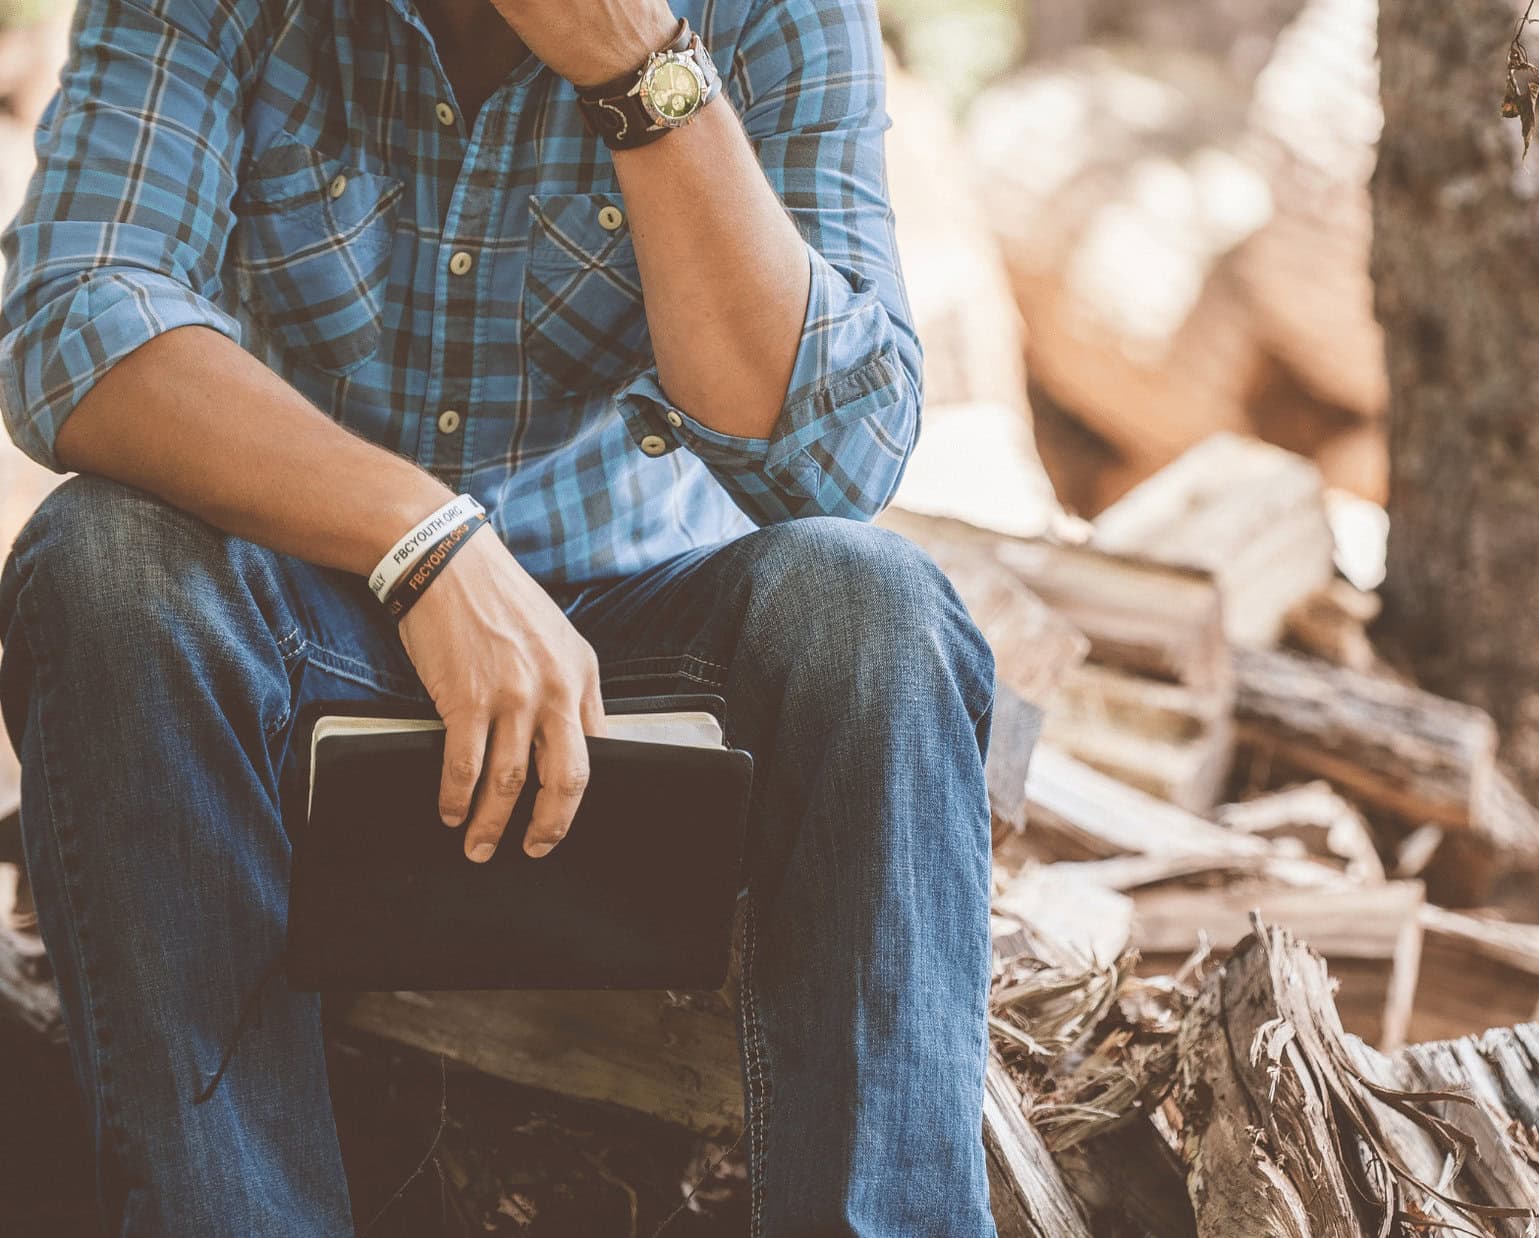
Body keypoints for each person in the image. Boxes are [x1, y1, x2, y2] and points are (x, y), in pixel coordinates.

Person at [0, 0, 997, 1233]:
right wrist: (420, 541)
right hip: (295, 650)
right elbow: (76, 318)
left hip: (639, 675)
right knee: (101, 557)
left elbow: (835, 459)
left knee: (877, 611)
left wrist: (641, 71)